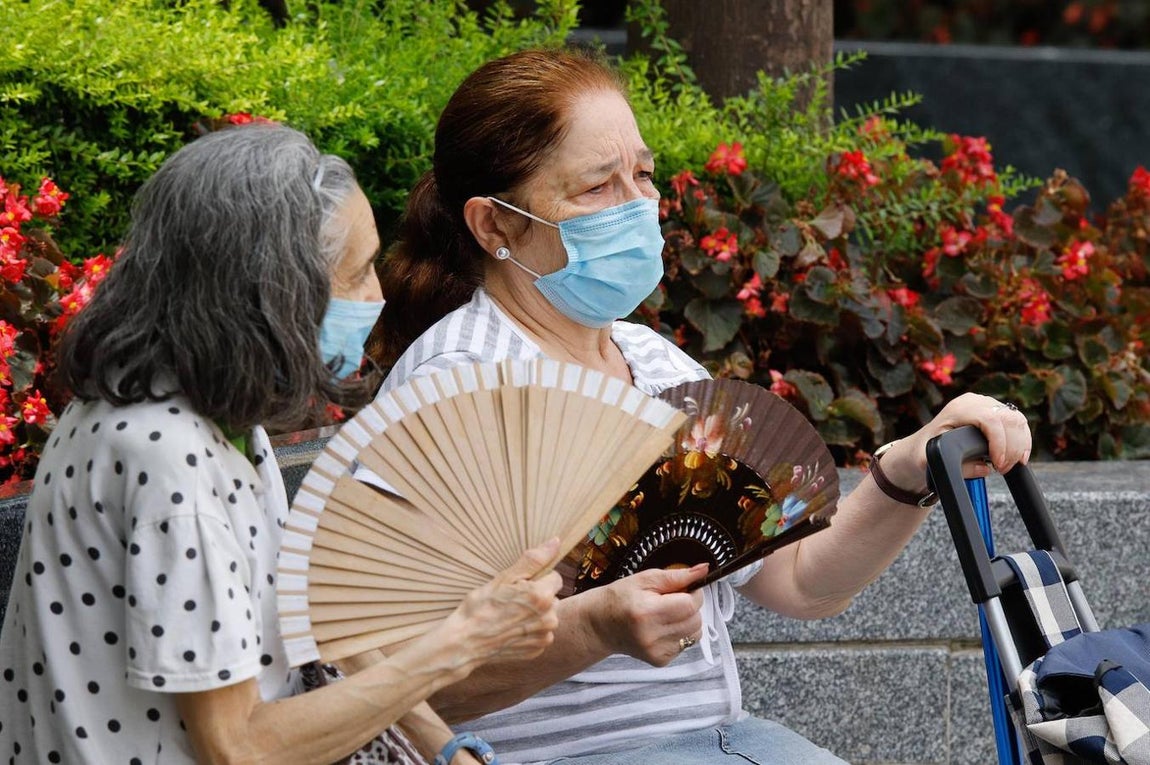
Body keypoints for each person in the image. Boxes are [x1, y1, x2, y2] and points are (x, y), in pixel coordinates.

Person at [371, 49, 1033, 765]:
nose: (635, 205)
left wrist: (908, 472)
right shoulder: (455, 387)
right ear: (495, 226)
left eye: (643, 175)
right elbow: (395, 686)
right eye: (596, 187)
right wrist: (594, 629)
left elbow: (801, 580)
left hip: (726, 744)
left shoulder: (653, 362)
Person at [0, 123, 562, 765]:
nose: (377, 297)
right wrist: (461, 640)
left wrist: (448, 748)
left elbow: (311, 611)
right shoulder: (165, 458)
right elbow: (238, 748)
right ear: (269, 295)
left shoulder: (211, 417)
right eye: (355, 274)